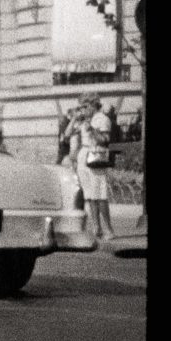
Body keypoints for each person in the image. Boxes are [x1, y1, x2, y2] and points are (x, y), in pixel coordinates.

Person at [70, 94, 116, 242]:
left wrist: (93, 130)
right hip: (84, 157)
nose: (83, 110)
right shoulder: (85, 120)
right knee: (89, 196)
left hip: (96, 156)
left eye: (85, 106)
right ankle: (97, 228)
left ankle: (109, 229)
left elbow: (105, 141)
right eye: (81, 107)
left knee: (100, 195)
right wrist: (75, 120)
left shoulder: (102, 119)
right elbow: (67, 134)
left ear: (93, 105)